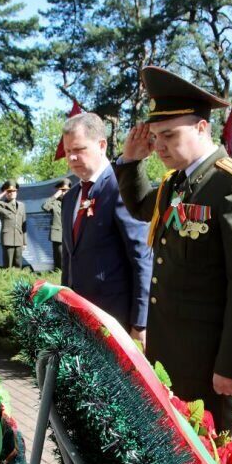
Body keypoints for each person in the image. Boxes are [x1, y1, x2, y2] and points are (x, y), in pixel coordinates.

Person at [116, 67, 232, 433]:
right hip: (166, 355)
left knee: (206, 458)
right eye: (155, 136)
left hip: (205, 363)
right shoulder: (176, 183)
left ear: (202, 128)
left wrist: (231, 367)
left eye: (169, 135)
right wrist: (131, 161)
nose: (159, 146)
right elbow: (140, 206)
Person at [60, 112, 151, 338]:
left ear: (102, 145)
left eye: (79, 149)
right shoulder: (70, 198)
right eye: (68, 151)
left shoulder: (121, 189)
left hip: (115, 321)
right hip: (77, 319)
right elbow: (70, 259)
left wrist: (140, 323)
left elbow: (142, 257)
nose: (72, 157)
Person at [0, 180, 27, 268]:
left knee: (18, 264)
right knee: (8, 264)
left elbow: (24, 225)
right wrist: (1, 195)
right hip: (7, 239)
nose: (12, 193)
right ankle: (8, 277)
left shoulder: (21, 206)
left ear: (16, 192)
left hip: (19, 239)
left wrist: (24, 242)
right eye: (9, 191)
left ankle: (17, 277)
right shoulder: (2, 205)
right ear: (6, 193)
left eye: (14, 191)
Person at [41, 179, 70, 269]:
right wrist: (55, 196)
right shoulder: (55, 203)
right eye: (62, 190)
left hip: (69, 234)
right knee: (59, 255)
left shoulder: (72, 202)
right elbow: (45, 206)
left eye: (66, 190)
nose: (64, 192)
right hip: (58, 234)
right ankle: (58, 272)